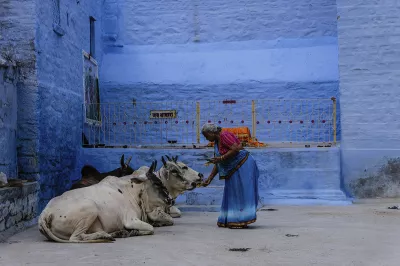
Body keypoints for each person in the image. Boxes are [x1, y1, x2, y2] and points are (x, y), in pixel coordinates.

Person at [200, 123, 259, 229]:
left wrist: (221, 158)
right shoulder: (216, 142)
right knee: (233, 192)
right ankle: (232, 218)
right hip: (232, 167)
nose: (206, 138)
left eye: (206, 135)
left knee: (241, 192)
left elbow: (235, 149)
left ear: (211, 132)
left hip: (243, 164)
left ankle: (241, 219)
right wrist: (210, 178)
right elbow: (218, 162)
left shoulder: (224, 135)